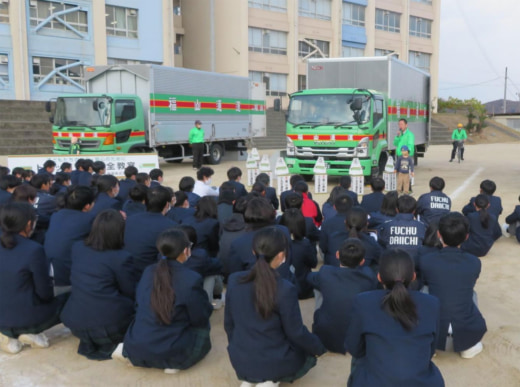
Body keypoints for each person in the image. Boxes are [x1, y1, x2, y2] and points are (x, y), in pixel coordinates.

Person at [225, 227, 326, 385]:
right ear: (281, 255)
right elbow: (296, 332)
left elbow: (229, 324)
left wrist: (238, 347)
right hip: (274, 360)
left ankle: (254, 378)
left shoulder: (234, 280)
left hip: (240, 357)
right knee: (305, 353)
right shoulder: (285, 288)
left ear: (253, 251)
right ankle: (269, 379)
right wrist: (318, 347)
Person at [113, 229, 212, 374]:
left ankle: (130, 351)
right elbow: (200, 317)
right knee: (203, 328)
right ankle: (171, 362)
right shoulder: (191, 279)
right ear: (186, 251)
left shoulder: (148, 271)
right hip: (171, 351)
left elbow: (138, 304)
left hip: (137, 345)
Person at [345, 249, 444, 387]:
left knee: (358, 360)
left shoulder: (363, 302)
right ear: (414, 276)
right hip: (422, 382)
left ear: (379, 277)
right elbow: (431, 349)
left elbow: (354, 348)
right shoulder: (432, 303)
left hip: (373, 382)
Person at [60, 210, 138, 360]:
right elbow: (129, 291)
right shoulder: (121, 257)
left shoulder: (78, 247)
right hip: (108, 326)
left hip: (75, 323)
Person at [0, 203, 68, 354]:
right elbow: (44, 293)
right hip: (25, 316)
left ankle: (9, 334)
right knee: (69, 298)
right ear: (29, 223)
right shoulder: (33, 249)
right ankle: (28, 332)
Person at [419, 212, 486, 358]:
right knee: (471, 292)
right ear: (466, 236)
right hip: (466, 329)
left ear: (438, 234)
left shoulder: (427, 260)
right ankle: (468, 347)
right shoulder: (474, 262)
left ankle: (429, 346)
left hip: (433, 329)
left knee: (424, 289)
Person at [307, 238, 377, 354]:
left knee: (319, 287)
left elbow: (309, 277)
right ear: (362, 261)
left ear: (337, 254)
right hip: (357, 339)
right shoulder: (369, 275)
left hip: (327, 339)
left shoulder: (326, 272)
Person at [44, 186, 95, 289]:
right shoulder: (88, 219)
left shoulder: (57, 215)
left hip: (50, 268)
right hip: (69, 274)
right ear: (87, 206)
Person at [124, 186, 178, 276]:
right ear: (167, 205)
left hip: (127, 270)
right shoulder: (171, 227)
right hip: (152, 276)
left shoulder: (129, 220)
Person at [279, 209, 318, 299]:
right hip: (303, 289)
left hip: (282, 289)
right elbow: (313, 263)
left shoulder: (276, 243)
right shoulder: (305, 244)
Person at [378, 195, 425, 260]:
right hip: (413, 265)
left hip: (391, 263)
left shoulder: (386, 225)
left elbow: (381, 241)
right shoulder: (421, 226)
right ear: (414, 211)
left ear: (396, 209)